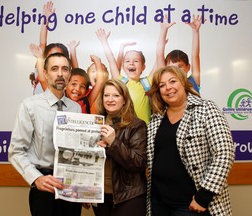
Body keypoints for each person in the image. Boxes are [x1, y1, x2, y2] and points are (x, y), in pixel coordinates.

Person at [146, 66, 235, 216]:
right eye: (162, 85)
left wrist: (204, 196)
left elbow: (224, 154)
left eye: (172, 81)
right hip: (159, 203)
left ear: (183, 83)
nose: (168, 88)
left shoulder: (206, 109)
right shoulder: (156, 118)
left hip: (191, 203)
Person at [8, 52, 82, 216]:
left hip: (71, 186)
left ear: (70, 73)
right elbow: (16, 151)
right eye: (54, 69)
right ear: (46, 74)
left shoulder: (76, 108)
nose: (60, 74)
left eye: (64, 69)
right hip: (44, 186)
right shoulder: (29, 106)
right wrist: (36, 178)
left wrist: (84, 185)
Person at [92, 79, 147, 216]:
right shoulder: (95, 124)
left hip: (129, 196)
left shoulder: (136, 125)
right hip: (100, 195)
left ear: (124, 100)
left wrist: (114, 142)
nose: (110, 99)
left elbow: (139, 162)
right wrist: (85, 191)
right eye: (106, 95)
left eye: (116, 95)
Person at [96, 28, 157, 125]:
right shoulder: (121, 82)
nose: (131, 63)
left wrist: (163, 31)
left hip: (144, 132)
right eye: (127, 61)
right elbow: (111, 60)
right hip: (125, 130)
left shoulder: (147, 82)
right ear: (123, 67)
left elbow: (159, 59)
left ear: (143, 67)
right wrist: (104, 41)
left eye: (136, 61)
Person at [156, 14, 203, 93]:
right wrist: (164, 29)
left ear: (188, 67)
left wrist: (195, 31)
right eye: (171, 67)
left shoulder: (193, 82)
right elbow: (159, 55)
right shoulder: (166, 84)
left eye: (180, 66)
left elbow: (195, 56)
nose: (176, 70)